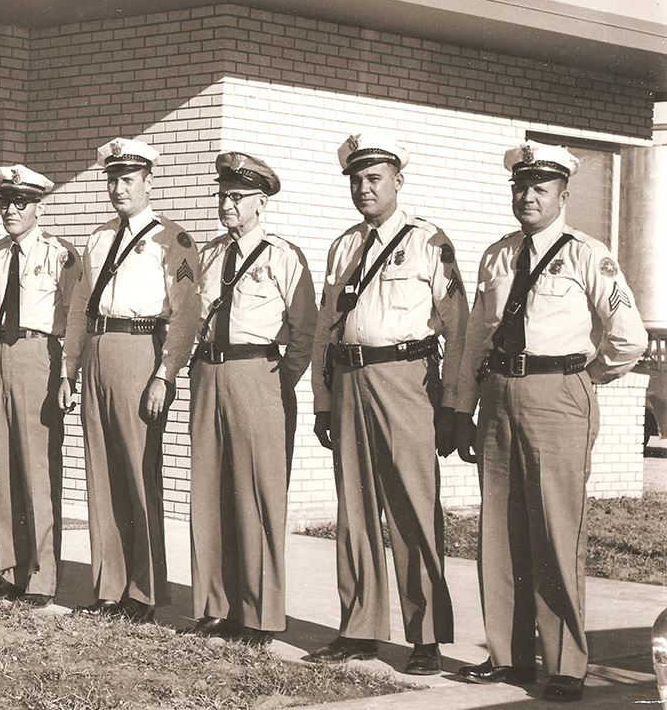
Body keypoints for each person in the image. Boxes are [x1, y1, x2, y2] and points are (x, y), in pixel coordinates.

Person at [454, 142, 648, 703]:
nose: (528, 197)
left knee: (556, 530)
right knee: (500, 530)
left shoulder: (587, 253)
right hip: (499, 395)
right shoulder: (497, 255)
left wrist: (583, 378)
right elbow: (474, 339)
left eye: (541, 188)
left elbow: (629, 336)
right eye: (521, 187)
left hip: (558, 394)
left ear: (564, 194)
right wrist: (463, 406)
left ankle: (565, 664)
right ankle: (507, 656)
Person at [306, 132, 467, 675]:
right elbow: (326, 331)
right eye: (355, 179)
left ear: (398, 180)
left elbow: (459, 330)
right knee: (354, 511)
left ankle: (425, 638)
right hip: (350, 379)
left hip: (406, 378)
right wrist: (322, 399)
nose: (363, 188)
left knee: (412, 508)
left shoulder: (429, 242)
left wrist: (454, 404)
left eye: (374, 178)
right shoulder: (344, 245)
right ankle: (359, 629)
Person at [57, 137, 200, 623]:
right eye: (113, 179)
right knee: (101, 473)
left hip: (140, 349)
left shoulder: (172, 240)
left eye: (128, 179)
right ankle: (108, 587)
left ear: (148, 181)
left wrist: (165, 373)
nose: (119, 188)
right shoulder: (98, 237)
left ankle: (143, 591)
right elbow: (79, 307)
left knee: (140, 474)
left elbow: (185, 316)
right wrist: (69, 368)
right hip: (97, 350)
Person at [187, 152, 317, 644]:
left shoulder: (284, 256)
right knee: (210, 491)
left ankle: (259, 615)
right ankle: (214, 606)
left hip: (257, 373)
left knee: (256, 496)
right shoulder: (211, 252)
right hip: (209, 373)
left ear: (261, 203)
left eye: (238, 197)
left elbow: (306, 329)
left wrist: (281, 379)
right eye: (223, 195)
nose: (227, 204)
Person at [0, 165, 81, 607]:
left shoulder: (60, 254)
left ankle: (41, 576)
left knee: (37, 469)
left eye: (21, 203)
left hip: (39, 355)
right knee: (2, 467)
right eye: (6, 203)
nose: (12, 211)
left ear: (39, 206)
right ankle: (11, 570)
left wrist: (65, 374)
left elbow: (72, 319)